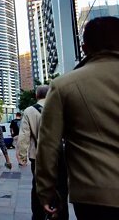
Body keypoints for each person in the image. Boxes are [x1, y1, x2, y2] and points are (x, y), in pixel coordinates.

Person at [36, 16, 119, 219]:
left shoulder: (64, 85)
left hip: (96, 197)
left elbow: (48, 146)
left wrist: (46, 192)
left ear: (84, 48)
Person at [16, 85, 68, 220]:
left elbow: (23, 136)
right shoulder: (61, 107)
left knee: (37, 187)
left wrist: (22, 157)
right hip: (59, 156)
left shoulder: (29, 111)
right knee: (61, 187)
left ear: (36, 96)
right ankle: (60, 214)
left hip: (38, 157)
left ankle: (38, 215)